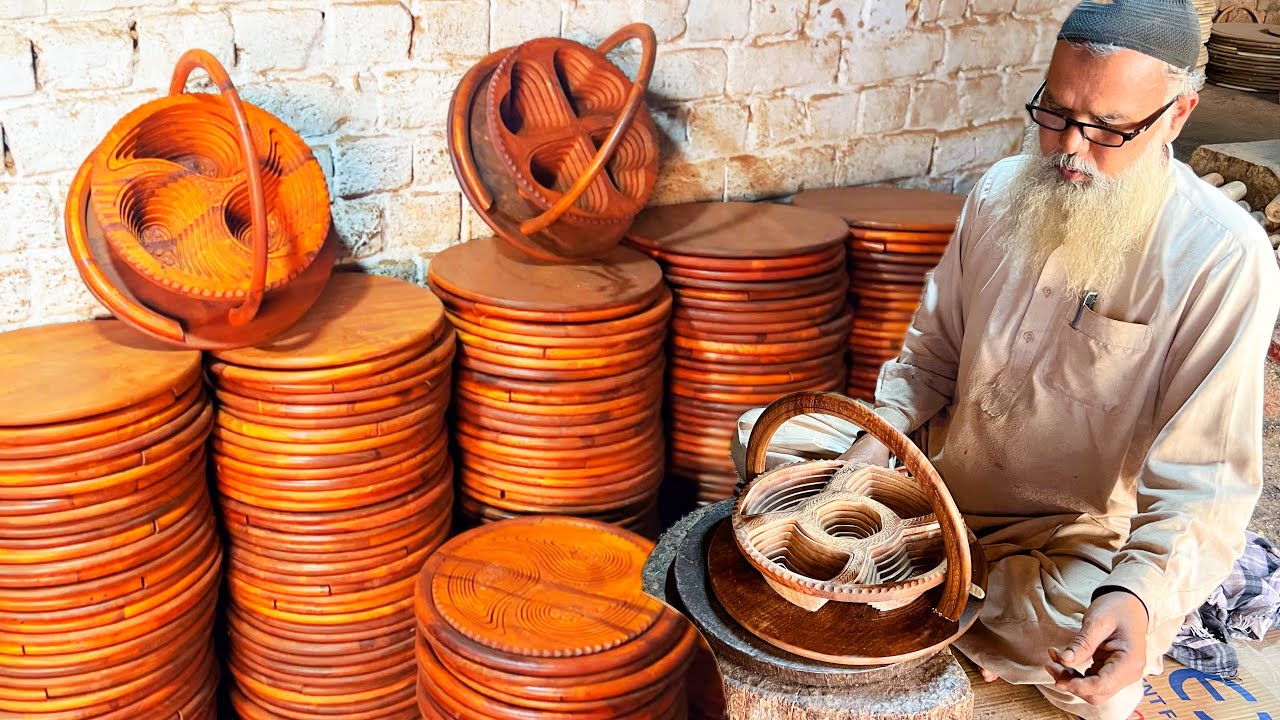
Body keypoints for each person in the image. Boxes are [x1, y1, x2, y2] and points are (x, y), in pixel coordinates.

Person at [735, 1, 1280, 718]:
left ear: (1177, 115)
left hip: (1061, 535)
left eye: (1109, 129)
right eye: (1053, 113)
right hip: (931, 476)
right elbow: (930, 358)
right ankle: (929, 581)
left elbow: (1203, 484)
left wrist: (1137, 598)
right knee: (764, 435)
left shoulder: (1220, 258)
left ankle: (917, 586)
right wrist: (871, 453)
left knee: (1093, 655)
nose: (1070, 150)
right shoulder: (999, 193)